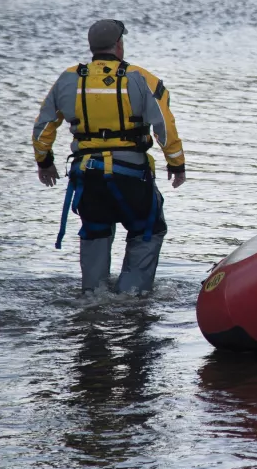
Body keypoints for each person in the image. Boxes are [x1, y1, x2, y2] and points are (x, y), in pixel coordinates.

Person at [33, 19, 186, 296]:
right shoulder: (142, 78)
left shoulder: (69, 78)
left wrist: (44, 162)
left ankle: (93, 295)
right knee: (147, 229)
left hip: (87, 175)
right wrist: (177, 164)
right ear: (119, 45)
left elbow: (43, 127)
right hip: (131, 175)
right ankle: (132, 297)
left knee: (95, 230)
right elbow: (165, 127)